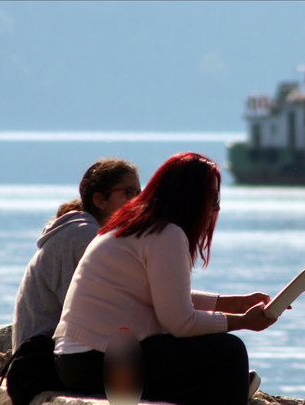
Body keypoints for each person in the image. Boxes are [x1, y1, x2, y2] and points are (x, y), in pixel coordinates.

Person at [53, 152, 276, 405]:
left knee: (208, 358)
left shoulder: (138, 225)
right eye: (213, 197)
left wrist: (233, 303)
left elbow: (164, 296)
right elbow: (180, 322)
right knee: (229, 352)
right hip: (98, 362)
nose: (217, 207)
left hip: (77, 361)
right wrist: (243, 321)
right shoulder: (165, 234)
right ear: (191, 196)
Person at [12, 158, 140, 350]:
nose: (137, 202)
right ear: (99, 200)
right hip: (43, 356)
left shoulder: (84, 233)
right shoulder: (83, 236)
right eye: (128, 193)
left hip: (55, 349)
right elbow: (93, 313)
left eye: (139, 194)